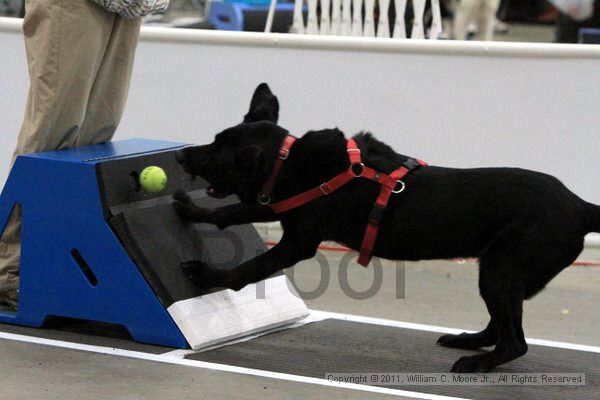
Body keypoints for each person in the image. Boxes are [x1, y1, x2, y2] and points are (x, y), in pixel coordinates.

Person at [0, 0, 144, 310]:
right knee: (52, 137)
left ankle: (60, 262)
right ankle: (9, 268)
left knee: (95, 139)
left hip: (126, 4)